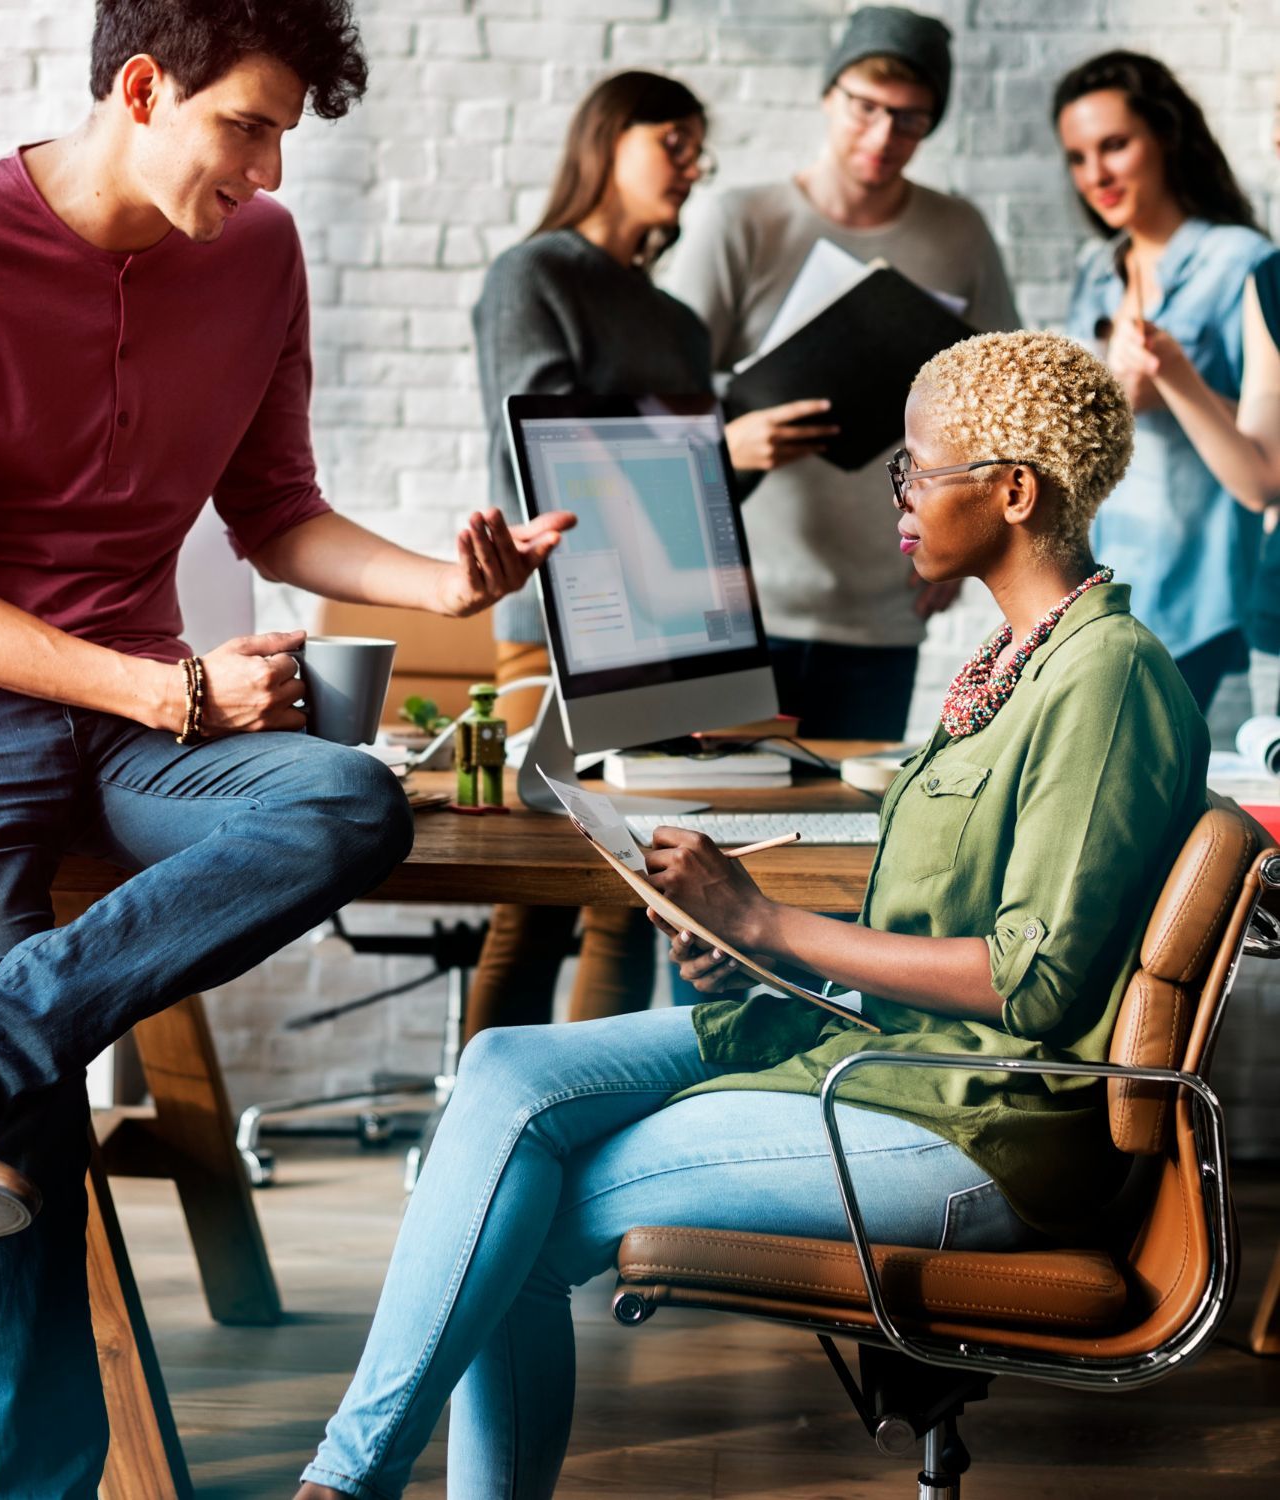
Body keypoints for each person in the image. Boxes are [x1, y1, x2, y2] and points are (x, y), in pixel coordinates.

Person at [0, 3, 569, 1494]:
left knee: (348, 803)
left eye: (283, 136)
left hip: (142, 715)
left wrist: (444, 586)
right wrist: (173, 695)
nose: (269, 172)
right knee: (21, 1113)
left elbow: (276, 511)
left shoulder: (257, 254)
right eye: (247, 127)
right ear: (142, 89)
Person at [294, 332, 1208, 1500]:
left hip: (978, 1123)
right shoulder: (1011, 660)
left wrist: (769, 923)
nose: (898, 496)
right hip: (883, 1049)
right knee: (503, 1068)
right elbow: (941, 931)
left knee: (511, 1221)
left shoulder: (1107, 677)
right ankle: (349, 1481)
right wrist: (751, 952)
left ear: (1014, 492)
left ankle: (341, 1486)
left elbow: (1035, 987)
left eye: (917, 470)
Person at [465, 71, 833, 1038]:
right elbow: (543, 455)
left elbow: (694, 507)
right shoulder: (533, 276)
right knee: (536, 894)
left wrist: (735, 462)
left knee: (634, 898)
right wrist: (714, 448)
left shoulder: (679, 323)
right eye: (673, 141)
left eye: (699, 150)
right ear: (607, 138)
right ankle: (487, 1109)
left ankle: (598, 1110)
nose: (692, 165)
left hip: (665, 627)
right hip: (556, 621)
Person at [662, 4, 1018, 741]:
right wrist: (732, 441)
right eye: (866, 107)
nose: (884, 136)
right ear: (829, 95)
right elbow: (662, 402)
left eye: (910, 120)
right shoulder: (741, 222)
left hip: (883, 608)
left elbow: (999, 404)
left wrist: (969, 545)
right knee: (722, 805)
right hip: (738, 602)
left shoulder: (959, 233)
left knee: (855, 812)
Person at [1056, 50, 1276, 713]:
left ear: (1166, 138)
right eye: (1077, 157)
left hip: (1202, 594)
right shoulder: (1097, 268)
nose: (1096, 175)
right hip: (1104, 585)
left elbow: (1268, 442)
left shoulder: (1243, 262)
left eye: (1114, 146)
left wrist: (1175, 391)